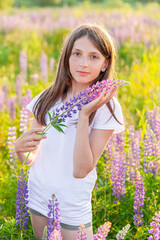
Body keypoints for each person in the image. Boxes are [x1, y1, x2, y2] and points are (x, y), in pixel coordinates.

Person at [14, 23, 125, 240]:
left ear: (105, 64)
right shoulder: (47, 98)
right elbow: (30, 158)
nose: (83, 63)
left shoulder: (108, 108)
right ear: (67, 57)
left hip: (72, 207)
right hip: (38, 198)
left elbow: (81, 169)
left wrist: (83, 116)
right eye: (77, 54)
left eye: (94, 57)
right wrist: (20, 149)